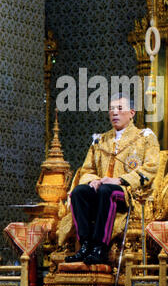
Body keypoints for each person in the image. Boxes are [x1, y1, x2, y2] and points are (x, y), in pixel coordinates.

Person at [65, 92, 160, 265]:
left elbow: (151, 168)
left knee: (107, 190)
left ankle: (100, 247)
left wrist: (120, 180)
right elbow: (87, 169)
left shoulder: (144, 137)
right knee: (79, 192)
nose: (114, 112)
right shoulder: (101, 140)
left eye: (119, 108)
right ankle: (85, 245)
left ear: (132, 113)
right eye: (111, 109)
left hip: (130, 193)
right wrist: (93, 179)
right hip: (101, 187)